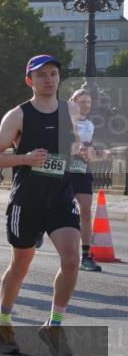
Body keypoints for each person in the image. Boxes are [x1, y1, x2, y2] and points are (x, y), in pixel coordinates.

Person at [0, 55, 82, 356]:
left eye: (53, 74)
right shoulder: (18, 115)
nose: (49, 79)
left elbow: (72, 145)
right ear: (30, 81)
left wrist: (81, 151)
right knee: (21, 264)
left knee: (71, 259)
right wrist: (24, 159)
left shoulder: (71, 109)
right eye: (41, 75)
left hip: (61, 198)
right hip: (26, 201)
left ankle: (54, 324)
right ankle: (4, 320)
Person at [68, 88, 109, 272]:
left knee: (85, 211)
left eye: (88, 102)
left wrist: (97, 153)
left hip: (82, 169)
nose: (85, 105)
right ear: (73, 102)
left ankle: (85, 257)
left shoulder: (90, 125)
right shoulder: (64, 122)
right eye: (81, 102)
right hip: (63, 170)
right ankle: (37, 230)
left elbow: (88, 150)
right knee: (52, 205)